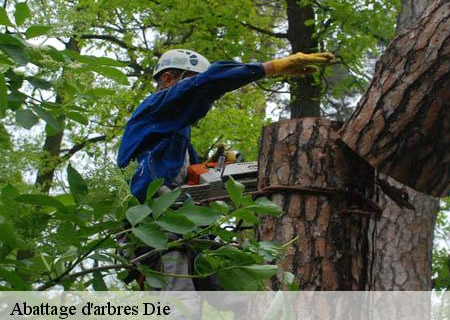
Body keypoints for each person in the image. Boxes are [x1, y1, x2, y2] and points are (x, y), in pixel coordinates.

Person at [116, 48, 334, 291]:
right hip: (157, 226)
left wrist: (209, 168)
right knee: (181, 303)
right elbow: (209, 81)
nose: (201, 97)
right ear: (168, 79)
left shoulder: (177, 139)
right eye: (190, 81)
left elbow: (188, 184)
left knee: (242, 284)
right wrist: (271, 67)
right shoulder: (152, 109)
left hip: (187, 228)